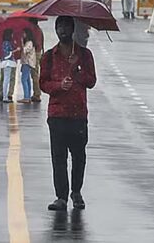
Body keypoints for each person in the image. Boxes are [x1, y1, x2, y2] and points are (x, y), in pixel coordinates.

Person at [41, 16, 97, 211]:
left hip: (78, 114)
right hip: (57, 114)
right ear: (56, 30)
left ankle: (76, 192)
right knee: (58, 158)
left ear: (72, 30)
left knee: (79, 157)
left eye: (66, 26)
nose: (62, 30)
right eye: (59, 27)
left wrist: (78, 69)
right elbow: (43, 83)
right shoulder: (49, 56)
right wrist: (59, 86)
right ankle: (61, 196)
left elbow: (91, 81)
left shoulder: (85, 55)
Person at [18, 29, 37, 104]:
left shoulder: (29, 43)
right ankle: (28, 96)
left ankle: (26, 97)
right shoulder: (29, 42)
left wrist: (21, 43)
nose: (23, 35)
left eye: (24, 33)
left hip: (27, 63)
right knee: (27, 80)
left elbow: (25, 51)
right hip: (26, 62)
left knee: (23, 79)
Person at [0, 29, 18, 104]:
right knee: (6, 79)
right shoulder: (7, 43)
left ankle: (4, 95)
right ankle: (5, 97)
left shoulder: (4, 43)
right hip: (8, 62)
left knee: (5, 79)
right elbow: (8, 53)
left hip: (4, 62)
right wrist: (16, 49)